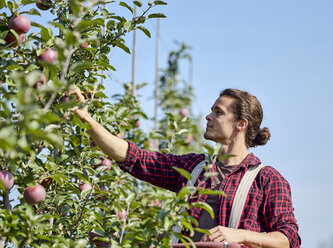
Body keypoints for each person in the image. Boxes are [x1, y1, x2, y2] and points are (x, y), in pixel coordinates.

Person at [69, 86, 301, 248]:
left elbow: (288, 240)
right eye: (211, 110)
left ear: (241, 124)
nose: (208, 116)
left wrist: (239, 235)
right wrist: (86, 119)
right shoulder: (194, 167)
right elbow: (136, 158)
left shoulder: (266, 179)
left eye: (218, 112)